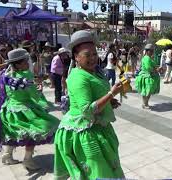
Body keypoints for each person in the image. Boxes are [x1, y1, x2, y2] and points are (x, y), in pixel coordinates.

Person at [54, 30, 125, 180]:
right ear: (76, 57)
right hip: (84, 132)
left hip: (98, 127)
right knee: (97, 173)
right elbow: (87, 111)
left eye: (94, 54)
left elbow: (96, 96)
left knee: (106, 169)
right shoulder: (78, 77)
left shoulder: (94, 72)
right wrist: (111, 94)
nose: (93, 58)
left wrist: (109, 102)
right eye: (88, 55)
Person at [0, 48, 59, 170]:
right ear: (18, 64)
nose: (27, 64)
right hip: (24, 109)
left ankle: (7, 155)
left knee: (13, 133)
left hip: (8, 109)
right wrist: (40, 94)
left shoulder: (4, 75)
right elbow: (33, 95)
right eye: (25, 62)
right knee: (34, 132)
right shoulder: (26, 75)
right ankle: (28, 160)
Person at [135, 44, 161, 109]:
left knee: (146, 91)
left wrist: (156, 68)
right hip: (147, 77)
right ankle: (145, 104)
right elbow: (148, 68)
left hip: (147, 76)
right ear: (147, 51)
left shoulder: (147, 57)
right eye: (151, 51)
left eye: (152, 51)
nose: (152, 52)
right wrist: (157, 70)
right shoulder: (147, 58)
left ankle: (145, 103)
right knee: (147, 91)